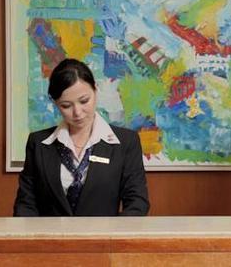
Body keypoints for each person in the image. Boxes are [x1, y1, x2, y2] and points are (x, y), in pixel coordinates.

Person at [14, 58, 149, 216]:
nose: (77, 112)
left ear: (95, 90)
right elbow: (26, 204)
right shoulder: (38, 143)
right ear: (56, 103)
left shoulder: (126, 142)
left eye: (84, 101)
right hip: (49, 233)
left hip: (106, 233)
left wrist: (114, 231)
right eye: (66, 105)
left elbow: (137, 203)